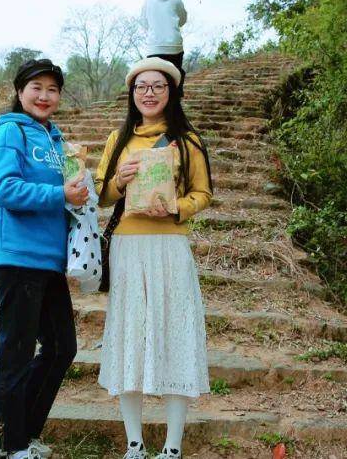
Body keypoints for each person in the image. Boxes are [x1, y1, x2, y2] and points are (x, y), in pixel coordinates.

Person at [95, 57, 213, 459]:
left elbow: (203, 193)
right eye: (141, 86)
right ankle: (134, 442)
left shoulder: (189, 140)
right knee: (131, 336)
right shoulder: (119, 140)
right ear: (131, 93)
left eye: (158, 86)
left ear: (171, 92)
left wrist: (177, 208)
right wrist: (118, 181)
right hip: (129, 248)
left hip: (170, 248)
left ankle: (173, 445)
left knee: (174, 335)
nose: (148, 93)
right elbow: (100, 194)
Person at [0, 59, 88, 459]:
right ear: (20, 90)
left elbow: (64, 194)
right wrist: (60, 195)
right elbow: (4, 189)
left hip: (49, 259)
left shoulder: (57, 140)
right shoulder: (9, 132)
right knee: (17, 352)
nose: (44, 96)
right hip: (17, 256)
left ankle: (19, 437)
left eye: (53, 89)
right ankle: (8, 446)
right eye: (36, 87)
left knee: (62, 347)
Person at [141, 0, 188, 83]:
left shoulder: (148, 1)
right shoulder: (177, 0)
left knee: (155, 79)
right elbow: (183, 21)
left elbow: (144, 23)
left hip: (154, 47)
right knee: (175, 77)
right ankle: (176, 96)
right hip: (174, 46)